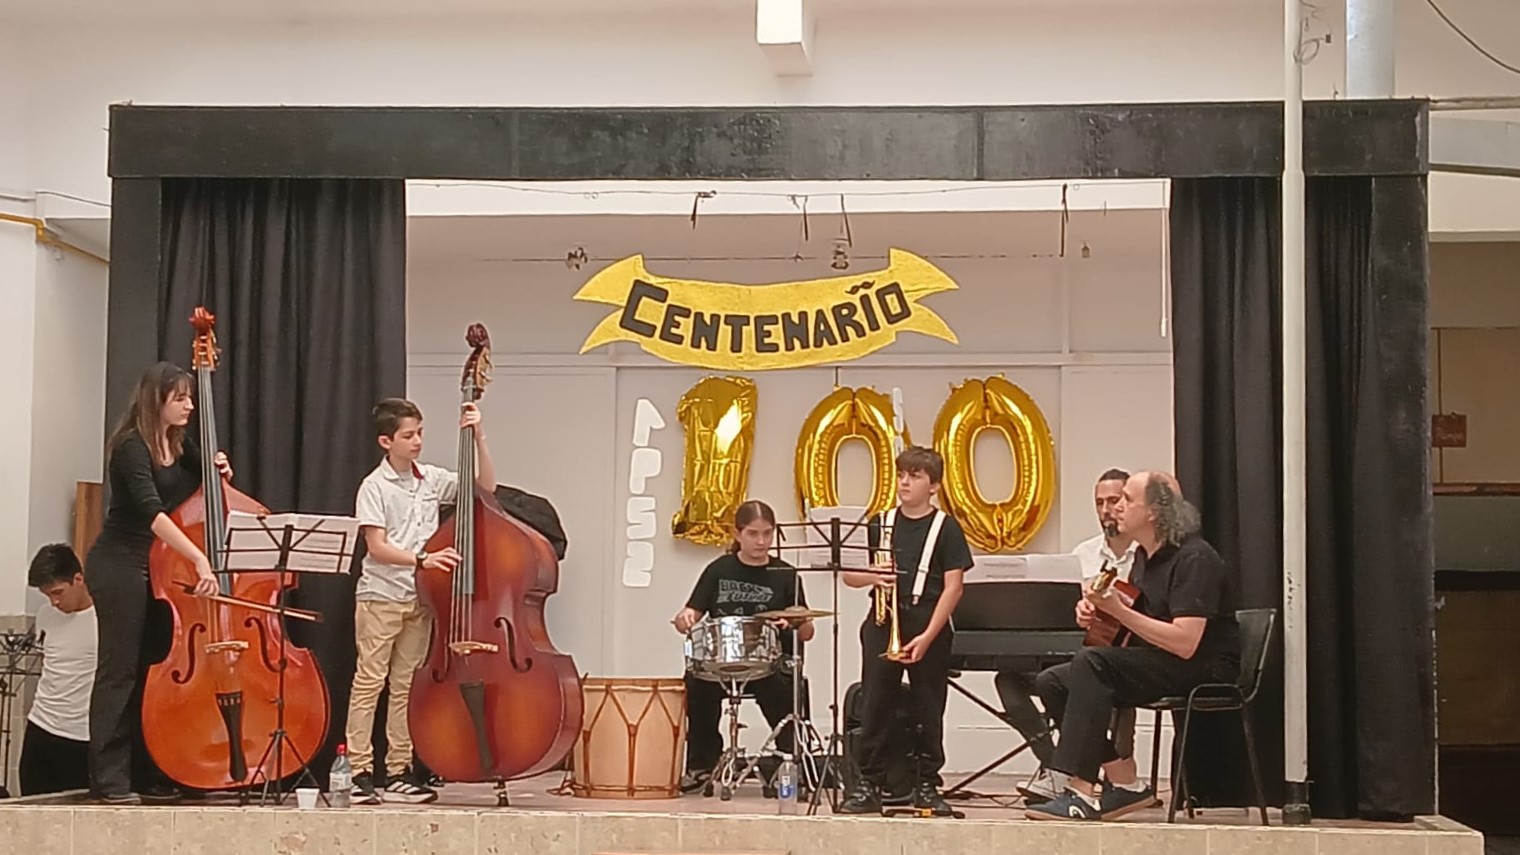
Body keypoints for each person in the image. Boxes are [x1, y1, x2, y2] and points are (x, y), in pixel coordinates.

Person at [1027, 470, 1241, 822]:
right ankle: (1125, 782)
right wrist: (1098, 613)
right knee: (1052, 680)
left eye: (1126, 499)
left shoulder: (1194, 558)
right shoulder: (1144, 557)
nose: (1117, 508)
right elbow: (1132, 621)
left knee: (1092, 662)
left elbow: (1186, 642)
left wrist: (1118, 611)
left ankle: (1080, 790)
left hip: (1204, 666)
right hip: (1164, 659)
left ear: (1154, 512)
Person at [85, 361, 232, 804]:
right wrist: (200, 560)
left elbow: (207, 493)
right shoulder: (131, 447)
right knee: (120, 672)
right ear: (157, 401)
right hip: (120, 564)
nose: (190, 405)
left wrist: (218, 470)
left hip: (160, 568)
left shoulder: (178, 442)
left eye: (190, 397)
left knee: (153, 672)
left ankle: (149, 772)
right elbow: (154, 514)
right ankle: (109, 780)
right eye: (180, 398)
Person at [346, 397, 495, 804]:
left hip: (419, 598)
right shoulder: (373, 487)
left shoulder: (430, 478)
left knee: (406, 686)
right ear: (385, 441)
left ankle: (399, 769)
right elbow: (376, 547)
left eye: (420, 433)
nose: (417, 442)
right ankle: (359, 770)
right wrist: (424, 559)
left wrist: (477, 435)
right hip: (382, 596)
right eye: (408, 435)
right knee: (370, 682)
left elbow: (485, 486)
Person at [838, 446, 973, 816]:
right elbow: (850, 575)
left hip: (928, 623)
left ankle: (927, 783)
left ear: (934, 486)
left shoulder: (946, 527)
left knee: (929, 706)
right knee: (876, 703)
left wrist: (928, 636)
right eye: (901, 475)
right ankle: (869, 782)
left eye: (914, 476)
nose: (904, 483)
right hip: (883, 625)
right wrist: (872, 576)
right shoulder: (879, 523)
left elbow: (954, 587)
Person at [997, 468, 1140, 803]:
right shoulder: (1082, 554)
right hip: (1074, 648)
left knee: (1100, 679)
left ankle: (1106, 777)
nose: (1106, 509)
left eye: (1114, 500)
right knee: (1010, 679)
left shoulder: (1145, 556)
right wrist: (1080, 610)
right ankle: (1052, 765)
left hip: (1121, 656)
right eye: (1099, 502)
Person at [672, 500, 815, 794]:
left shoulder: (785, 574)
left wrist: (795, 624)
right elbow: (691, 613)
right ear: (737, 534)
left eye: (767, 533)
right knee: (697, 684)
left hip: (769, 664)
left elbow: (809, 631)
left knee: (786, 686)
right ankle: (701, 764)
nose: (761, 541)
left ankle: (790, 763)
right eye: (753, 534)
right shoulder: (718, 570)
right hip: (722, 663)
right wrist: (684, 619)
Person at [19, 544, 96, 796]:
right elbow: (47, 666)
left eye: (58, 592)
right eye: (47, 595)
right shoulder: (46, 615)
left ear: (78, 579)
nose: (54, 602)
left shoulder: (105, 618)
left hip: (81, 735)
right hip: (40, 727)